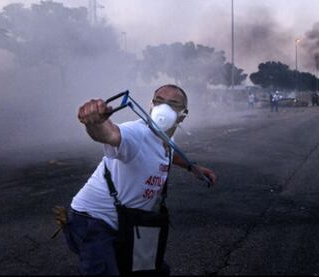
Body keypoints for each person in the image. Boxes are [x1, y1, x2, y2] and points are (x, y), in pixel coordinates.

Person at [63, 84, 217, 275]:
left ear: (183, 114)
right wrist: (94, 122)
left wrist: (192, 167)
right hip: (93, 220)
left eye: (173, 104)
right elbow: (110, 134)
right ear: (151, 106)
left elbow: (169, 152)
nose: (164, 108)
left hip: (127, 221)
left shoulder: (166, 139)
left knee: (152, 269)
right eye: (159, 101)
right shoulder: (136, 133)